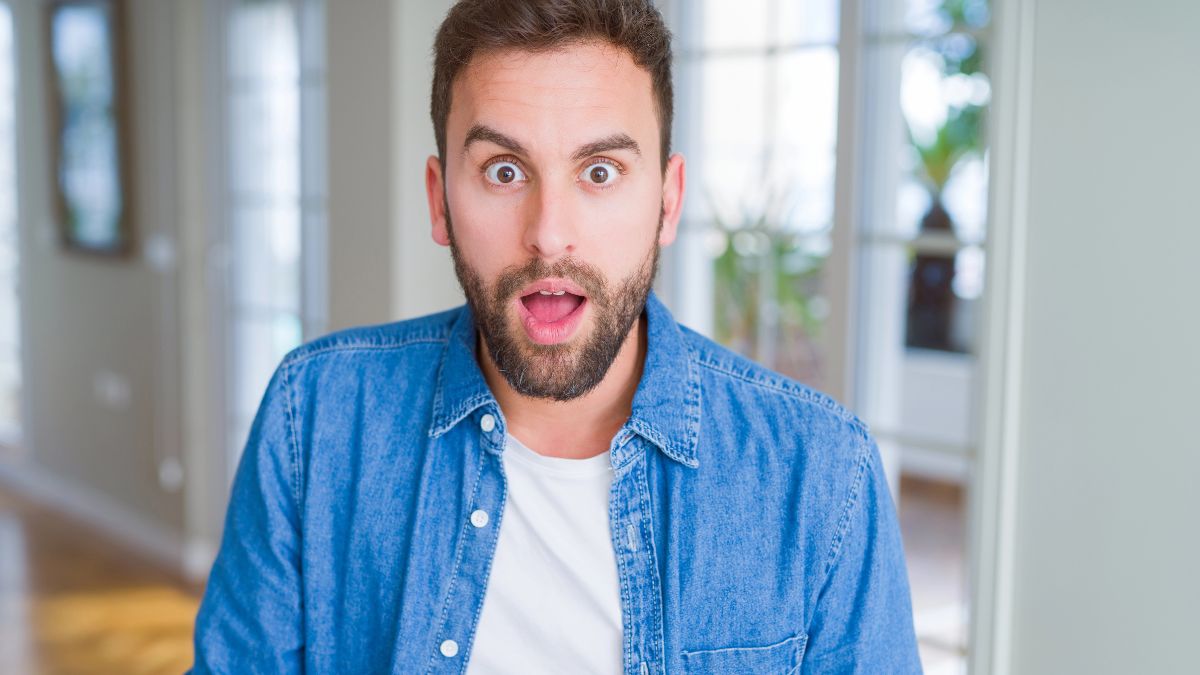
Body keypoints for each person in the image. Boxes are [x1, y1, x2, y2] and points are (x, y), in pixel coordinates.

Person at [191, 0, 922, 672]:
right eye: (504, 171)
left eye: (600, 171)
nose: (549, 235)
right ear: (440, 201)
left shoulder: (824, 477)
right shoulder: (314, 417)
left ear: (667, 202)